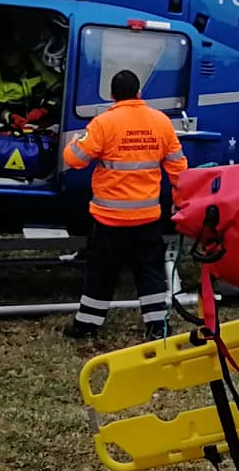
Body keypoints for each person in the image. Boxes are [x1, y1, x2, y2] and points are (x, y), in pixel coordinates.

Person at [62, 69, 188, 340]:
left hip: (109, 218)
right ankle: (157, 326)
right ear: (139, 93)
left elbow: (74, 160)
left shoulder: (103, 123)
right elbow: (178, 168)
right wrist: (179, 201)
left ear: (112, 95)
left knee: (101, 273)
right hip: (147, 217)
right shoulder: (161, 122)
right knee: (150, 271)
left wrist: (73, 143)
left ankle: (86, 326)